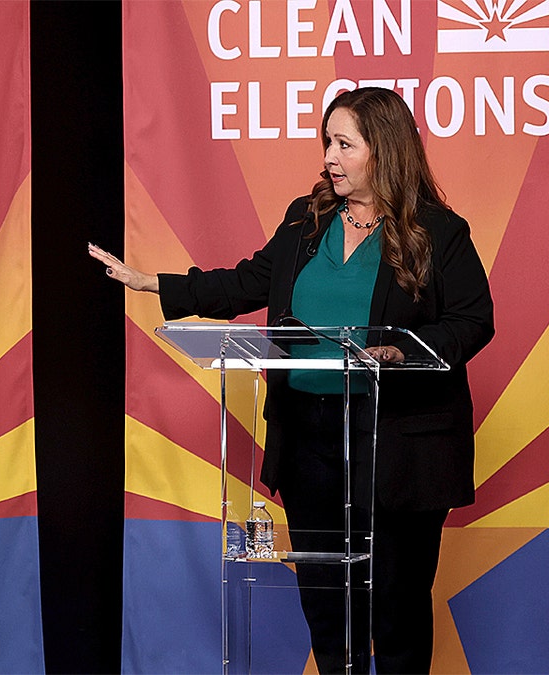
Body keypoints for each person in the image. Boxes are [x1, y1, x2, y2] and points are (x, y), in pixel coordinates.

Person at [90, 87, 493, 674]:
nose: (328, 156)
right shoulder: (307, 220)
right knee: (328, 606)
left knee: (398, 610)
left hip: (398, 443)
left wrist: (403, 352)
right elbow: (249, 281)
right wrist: (157, 284)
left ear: (381, 151)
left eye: (343, 144)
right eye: (327, 142)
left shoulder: (438, 231)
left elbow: (473, 322)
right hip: (310, 440)